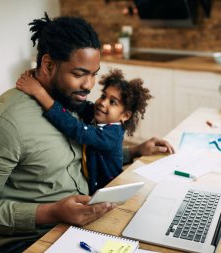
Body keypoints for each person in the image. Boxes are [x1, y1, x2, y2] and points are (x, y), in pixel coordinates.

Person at [0, 13, 173, 253]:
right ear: (48, 65)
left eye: (94, 74)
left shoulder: (73, 102)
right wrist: (53, 211)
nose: (89, 86)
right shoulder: (3, 123)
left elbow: (89, 151)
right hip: (31, 241)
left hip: (80, 226)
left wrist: (135, 151)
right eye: (79, 74)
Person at [16, 68, 153, 194]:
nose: (102, 103)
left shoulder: (112, 134)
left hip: (107, 190)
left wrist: (39, 93)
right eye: (103, 96)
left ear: (125, 116)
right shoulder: (99, 115)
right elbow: (79, 105)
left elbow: (77, 129)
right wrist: (44, 79)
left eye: (113, 102)